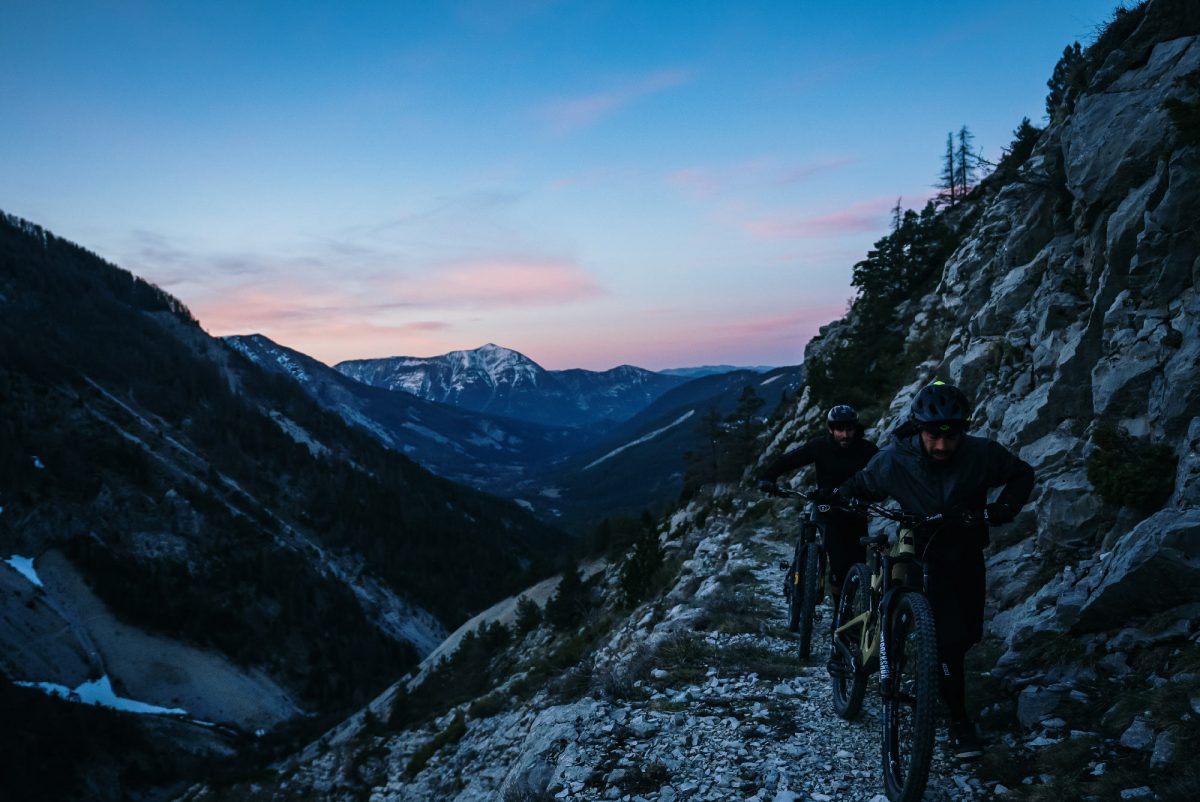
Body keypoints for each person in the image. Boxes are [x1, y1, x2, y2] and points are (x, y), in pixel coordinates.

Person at [836, 381, 1035, 759]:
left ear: (963, 430)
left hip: (962, 547)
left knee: (963, 637)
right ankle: (957, 720)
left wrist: (1003, 509)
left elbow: (1022, 475)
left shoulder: (981, 454)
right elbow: (861, 484)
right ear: (918, 428)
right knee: (939, 634)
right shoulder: (895, 458)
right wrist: (839, 497)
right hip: (917, 540)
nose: (942, 445)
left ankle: (933, 663)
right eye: (932, 435)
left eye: (952, 435)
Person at [758, 404, 879, 616]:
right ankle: (839, 615)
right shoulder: (820, 446)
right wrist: (769, 477)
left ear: (855, 428)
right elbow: (789, 460)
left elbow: (882, 474)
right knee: (839, 564)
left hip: (855, 511)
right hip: (827, 509)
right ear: (831, 429)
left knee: (856, 565)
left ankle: (848, 614)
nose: (845, 434)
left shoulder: (868, 450)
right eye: (839, 429)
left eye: (849, 429)